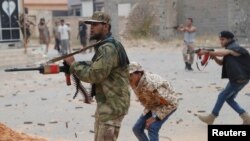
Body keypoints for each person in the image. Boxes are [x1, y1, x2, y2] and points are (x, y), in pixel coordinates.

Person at [64, 11, 130, 141]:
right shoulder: (106, 45)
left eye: (95, 24)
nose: (92, 28)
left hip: (112, 105)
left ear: (106, 26)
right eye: (90, 24)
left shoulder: (108, 48)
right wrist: (77, 64)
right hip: (107, 103)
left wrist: (74, 65)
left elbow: (95, 75)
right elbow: (97, 66)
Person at [198, 31, 250, 125]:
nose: (221, 42)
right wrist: (213, 56)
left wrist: (207, 52)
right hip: (240, 79)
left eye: (223, 39)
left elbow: (225, 52)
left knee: (222, 96)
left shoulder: (234, 47)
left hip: (238, 79)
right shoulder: (229, 48)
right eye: (220, 40)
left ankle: (212, 117)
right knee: (229, 98)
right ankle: (246, 117)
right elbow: (221, 63)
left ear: (229, 39)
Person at [129, 62, 178, 141]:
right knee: (137, 129)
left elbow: (172, 103)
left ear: (139, 73)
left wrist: (156, 117)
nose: (129, 78)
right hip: (152, 104)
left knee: (153, 128)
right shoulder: (134, 82)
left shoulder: (151, 85)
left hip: (167, 104)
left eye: (131, 75)